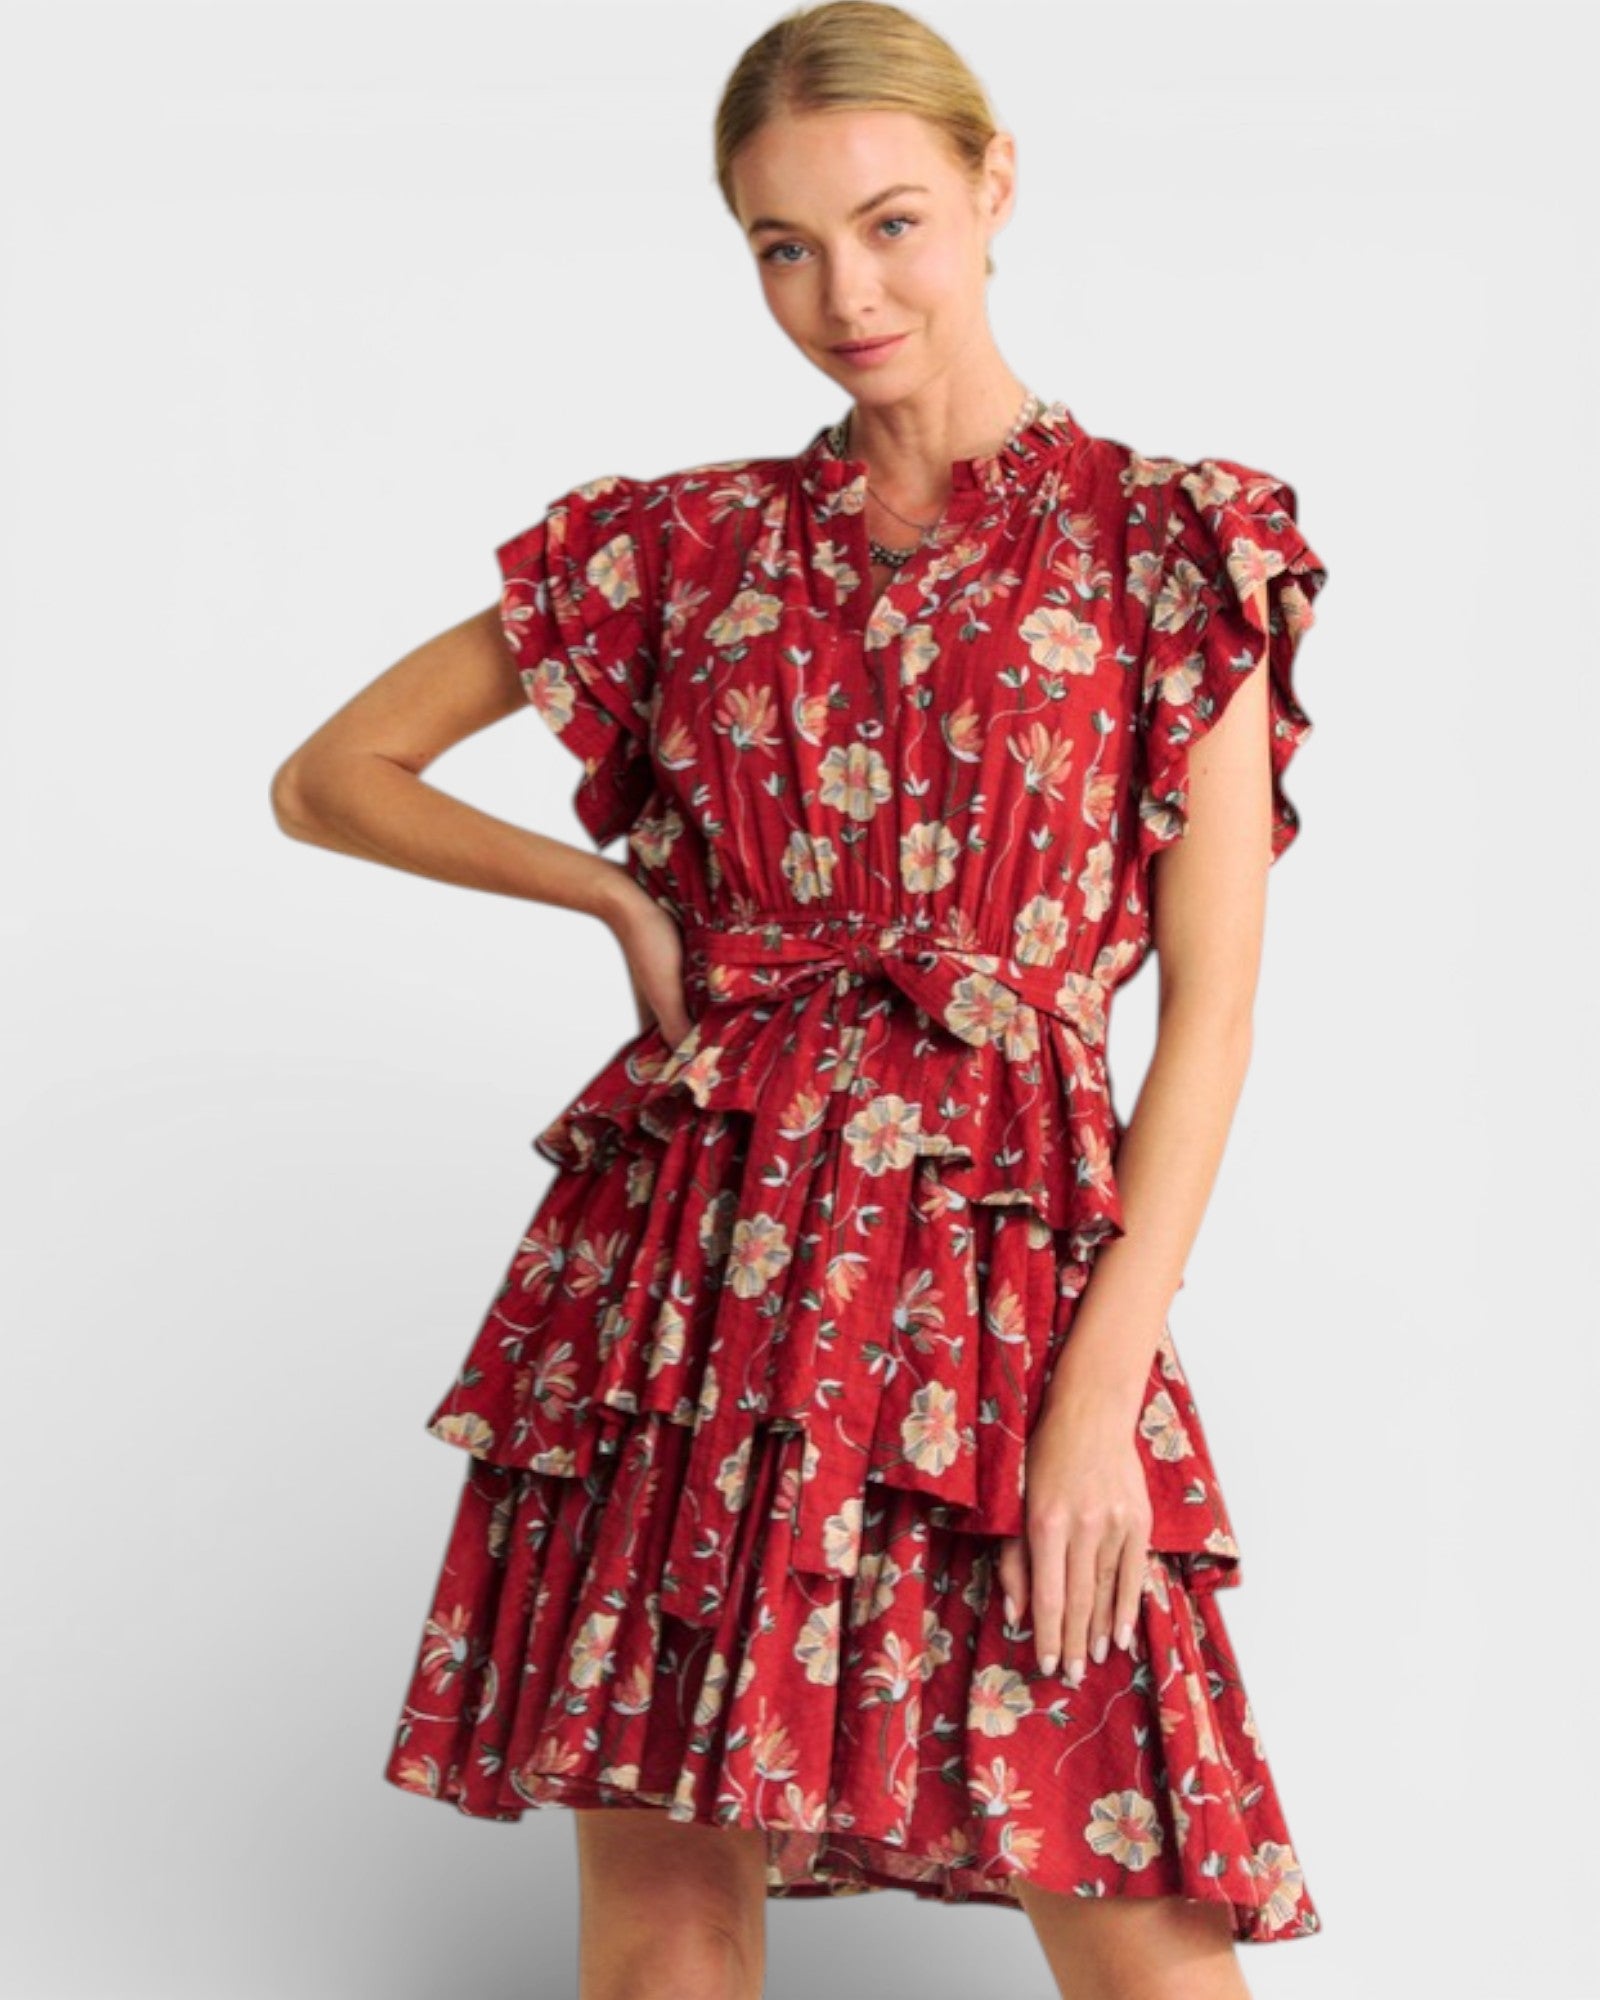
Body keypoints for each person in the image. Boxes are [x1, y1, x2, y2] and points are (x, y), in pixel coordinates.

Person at [271, 4, 1329, 1994]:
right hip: (690, 1287)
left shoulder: (1173, 546)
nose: (843, 292)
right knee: (669, 1935)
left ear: (996, 185)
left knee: (1143, 1935)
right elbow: (328, 776)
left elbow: (1209, 1013)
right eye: (780, 245)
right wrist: (606, 891)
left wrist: (1096, 1395)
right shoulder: (680, 549)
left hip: (1008, 1290)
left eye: (892, 222)